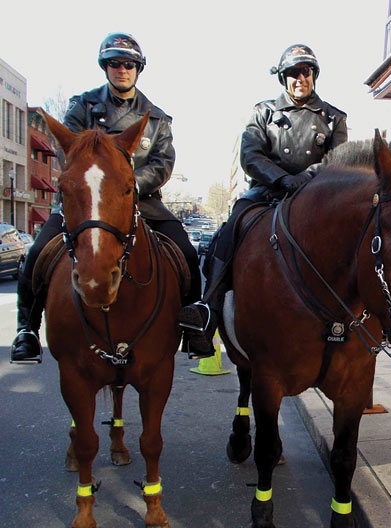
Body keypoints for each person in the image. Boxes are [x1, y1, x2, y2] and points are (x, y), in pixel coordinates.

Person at [10, 32, 208, 362]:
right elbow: (65, 149)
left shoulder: (157, 118)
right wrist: (96, 185)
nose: (122, 69)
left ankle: (193, 328)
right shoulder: (81, 106)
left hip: (141, 199)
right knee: (36, 254)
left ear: (138, 69)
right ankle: (26, 328)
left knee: (186, 253)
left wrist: (127, 186)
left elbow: (163, 163)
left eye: (129, 64)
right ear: (105, 67)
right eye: (114, 63)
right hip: (86, 200)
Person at [179, 44, 348, 350]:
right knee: (227, 232)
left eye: (305, 72)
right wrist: (283, 178)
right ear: (284, 78)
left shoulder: (334, 118)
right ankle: (209, 310)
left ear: (314, 76)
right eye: (293, 73)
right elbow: (250, 154)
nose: (300, 78)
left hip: (316, 196)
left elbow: (337, 158)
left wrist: (306, 179)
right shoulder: (263, 112)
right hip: (267, 191)